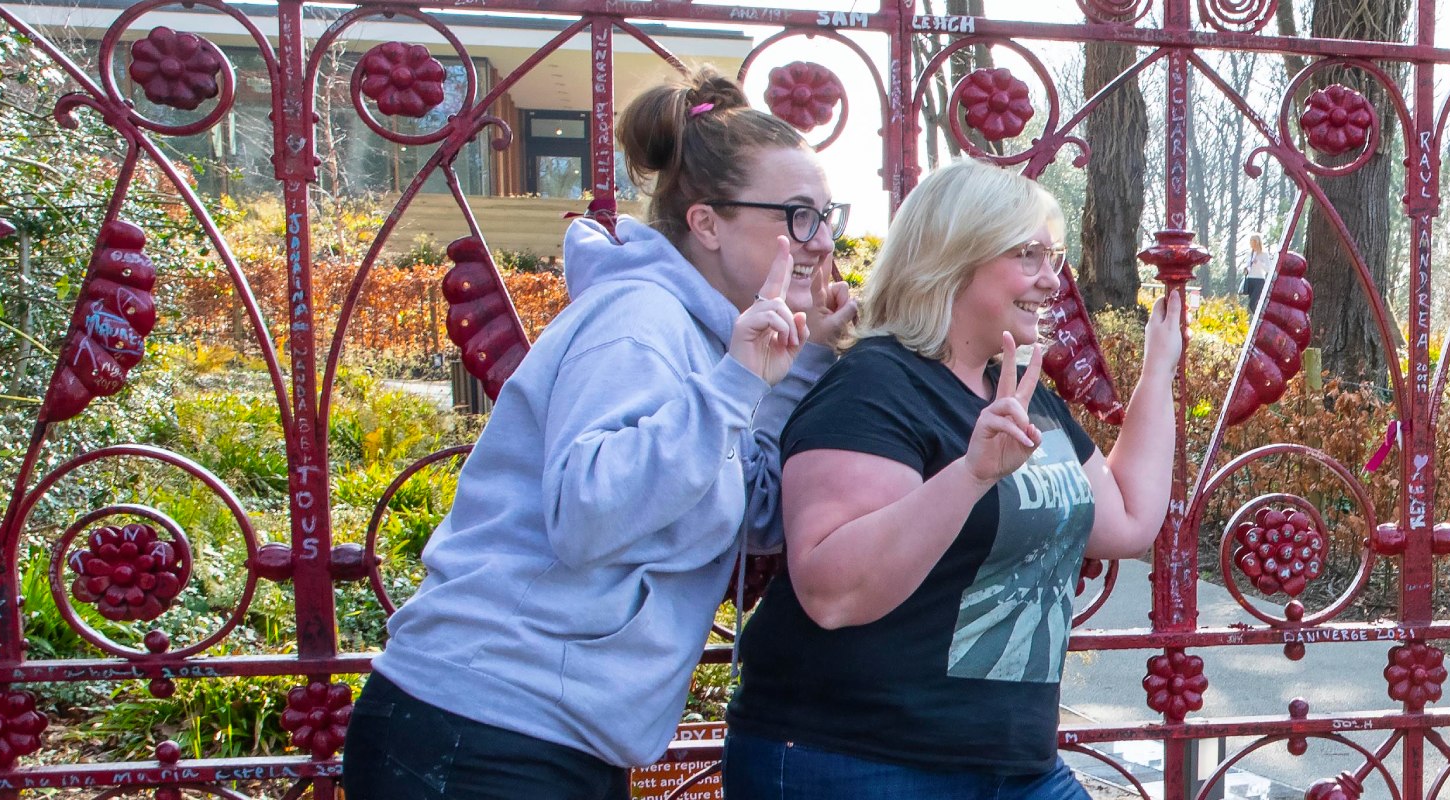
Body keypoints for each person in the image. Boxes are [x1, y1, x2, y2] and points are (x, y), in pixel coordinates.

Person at [345, 67, 854, 799]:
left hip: (554, 739)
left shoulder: (712, 345)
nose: (822, 239)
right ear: (706, 221)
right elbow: (587, 514)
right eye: (798, 215)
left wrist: (798, 368)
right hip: (481, 731)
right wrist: (740, 382)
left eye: (827, 213)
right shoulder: (636, 322)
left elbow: (758, 517)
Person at [719, 160, 1184, 799]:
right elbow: (833, 592)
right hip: (860, 758)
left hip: (1012, 764)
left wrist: (1160, 370)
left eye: (1055, 258)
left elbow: (1127, 519)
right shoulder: (875, 386)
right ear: (954, 259)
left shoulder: (1017, 389)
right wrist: (969, 476)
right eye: (1029, 256)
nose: (1053, 281)